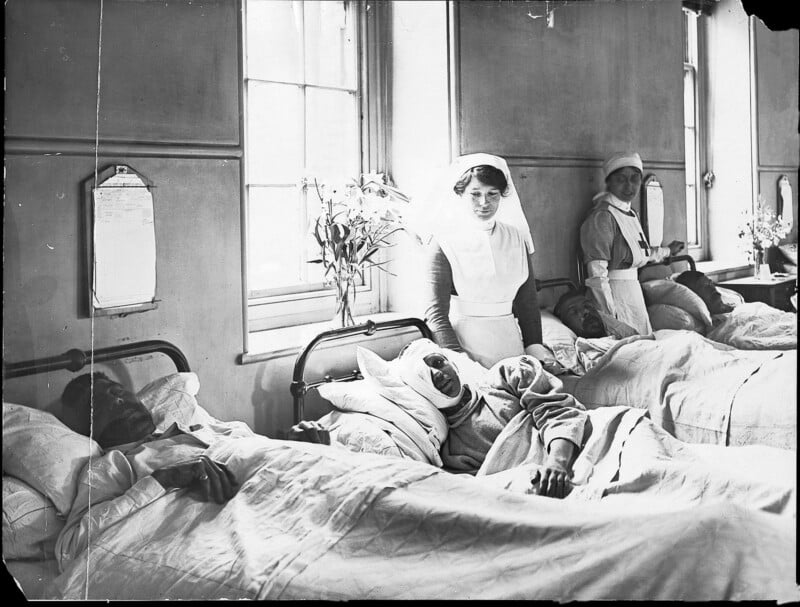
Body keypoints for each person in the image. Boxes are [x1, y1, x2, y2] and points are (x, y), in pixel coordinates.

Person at [291, 339, 794, 514]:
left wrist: (556, 459)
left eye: (439, 362)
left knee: (687, 468)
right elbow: (476, 488)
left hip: (601, 438)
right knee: (679, 492)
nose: (441, 372)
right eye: (428, 375)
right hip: (563, 484)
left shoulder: (506, 376)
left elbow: (562, 412)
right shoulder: (449, 453)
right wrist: (322, 442)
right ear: (419, 394)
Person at [55, 372, 315, 571]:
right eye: (97, 405)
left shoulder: (212, 428)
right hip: (240, 541)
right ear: (84, 429)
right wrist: (164, 479)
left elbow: (267, 457)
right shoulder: (112, 466)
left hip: (296, 507)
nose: (119, 400)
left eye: (117, 391)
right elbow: (71, 548)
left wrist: (301, 445)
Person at [417, 153, 549, 368]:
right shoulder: (444, 242)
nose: (484, 203)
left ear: (503, 196)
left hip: (511, 346)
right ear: (460, 193)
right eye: (475, 194)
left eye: (492, 194)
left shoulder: (516, 238)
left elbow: (528, 306)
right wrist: (459, 361)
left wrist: (535, 352)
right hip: (465, 346)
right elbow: (435, 314)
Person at [580, 151, 685, 335]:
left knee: (644, 347)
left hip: (633, 294)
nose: (629, 186)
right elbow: (597, 274)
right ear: (609, 182)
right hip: (614, 293)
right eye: (621, 179)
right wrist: (609, 315)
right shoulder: (602, 217)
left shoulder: (631, 213)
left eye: (635, 179)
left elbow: (641, 252)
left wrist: (668, 251)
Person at [553, 287, 639, 339]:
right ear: (567, 325)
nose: (586, 311)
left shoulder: (630, 341)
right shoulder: (588, 355)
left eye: (588, 306)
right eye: (574, 312)